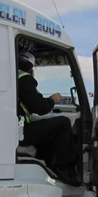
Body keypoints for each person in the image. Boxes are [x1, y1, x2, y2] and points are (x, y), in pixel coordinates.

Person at [17, 52, 76, 184]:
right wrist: (52, 100)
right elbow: (40, 108)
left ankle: (47, 165)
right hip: (21, 132)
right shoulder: (24, 79)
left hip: (15, 129)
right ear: (30, 68)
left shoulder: (11, 77)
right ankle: (63, 168)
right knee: (63, 123)